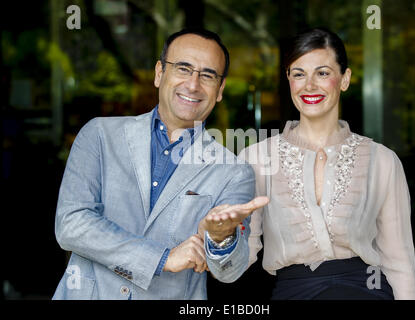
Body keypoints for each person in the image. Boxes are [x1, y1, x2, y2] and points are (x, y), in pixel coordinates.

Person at [52, 28, 268, 300]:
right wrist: (162, 258)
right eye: (183, 68)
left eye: (208, 75)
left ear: (220, 89)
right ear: (159, 73)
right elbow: (71, 225)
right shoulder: (99, 135)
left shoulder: (234, 172)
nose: (193, 84)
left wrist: (221, 238)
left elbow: (229, 271)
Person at [237, 27, 415, 299]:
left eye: (322, 73)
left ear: (344, 79)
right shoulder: (256, 158)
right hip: (294, 291)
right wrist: (219, 239)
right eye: (299, 74)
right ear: (288, 79)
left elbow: (400, 262)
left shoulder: (382, 160)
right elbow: (238, 260)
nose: (309, 85)